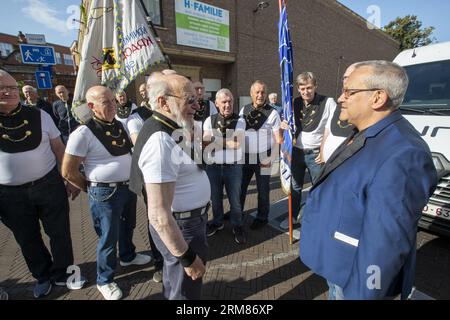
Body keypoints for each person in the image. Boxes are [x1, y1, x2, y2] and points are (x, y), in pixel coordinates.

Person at [299, 61, 437, 300]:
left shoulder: (404, 154)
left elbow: (385, 245)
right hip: (339, 266)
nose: (341, 98)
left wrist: (364, 294)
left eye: (349, 92)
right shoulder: (364, 131)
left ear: (377, 98)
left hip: (355, 281)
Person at [0, 70, 84, 299]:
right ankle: (43, 275)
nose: (7, 92)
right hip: (9, 196)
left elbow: (59, 150)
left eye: (11, 87)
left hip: (48, 186)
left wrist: (71, 178)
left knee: (60, 233)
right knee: (27, 238)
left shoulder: (40, 115)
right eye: (1, 88)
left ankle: (65, 273)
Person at [62, 86, 151, 300]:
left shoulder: (119, 125)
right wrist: (91, 189)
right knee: (108, 238)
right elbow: (67, 170)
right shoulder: (82, 133)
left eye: (113, 101)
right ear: (91, 106)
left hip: (127, 187)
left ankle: (128, 257)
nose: (113, 105)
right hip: (104, 193)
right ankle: (105, 280)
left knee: (128, 226)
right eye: (106, 102)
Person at [129, 74, 210, 300]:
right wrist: (187, 258)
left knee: (174, 285)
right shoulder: (160, 141)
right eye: (189, 100)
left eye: (196, 99)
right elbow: (159, 216)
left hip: (186, 223)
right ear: (164, 102)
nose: (197, 105)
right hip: (182, 227)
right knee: (184, 292)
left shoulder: (170, 127)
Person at [279, 72, 336, 230]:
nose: (306, 92)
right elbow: (286, 127)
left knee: (318, 188)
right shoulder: (293, 103)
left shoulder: (328, 102)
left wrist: (323, 150)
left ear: (315, 86)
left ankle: (316, 218)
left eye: (309, 88)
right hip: (296, 152)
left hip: (315, 154)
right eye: (302, 88)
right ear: (298, 88)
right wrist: (282, 128)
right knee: (295, 187)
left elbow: (329, 128)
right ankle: (292, 217)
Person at [127, 73, 168, 283]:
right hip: (151, 176)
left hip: (173, 175)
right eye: (144, 92)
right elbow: (139, 144)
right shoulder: (136, 117)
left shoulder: (172, 113)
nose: (146, 94)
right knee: (156, 218)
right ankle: (159, 263)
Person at [203, 88, 246, 244]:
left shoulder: (240, 120)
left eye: (230, 101)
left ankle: (237, 225)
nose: (228, 105)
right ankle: (217, 222)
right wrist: (224, 141)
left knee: (235, 200)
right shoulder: (209, 120)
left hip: (233, 167)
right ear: (217, 103)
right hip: (213, 167)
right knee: (215, 198)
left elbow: (236, 144)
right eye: (224, 102)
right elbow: (205, 143)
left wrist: (216, 140)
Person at [240, 80, 283, 230]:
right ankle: (237, 212)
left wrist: (272, 158)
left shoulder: (273, 113)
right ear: (251, 93)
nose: (260, 95)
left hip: (264, 156)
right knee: (240, 187)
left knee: (263, 190)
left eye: (263, 92)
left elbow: (279, 140)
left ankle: (262, 217)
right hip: (245, 156)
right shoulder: (244, 109)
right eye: (257, 92)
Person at [320, 64, 357, 163]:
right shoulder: (337, 107)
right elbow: (327, 132)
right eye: (344, 77)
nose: (339, 99)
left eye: (349, 93)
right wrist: (322, 154)